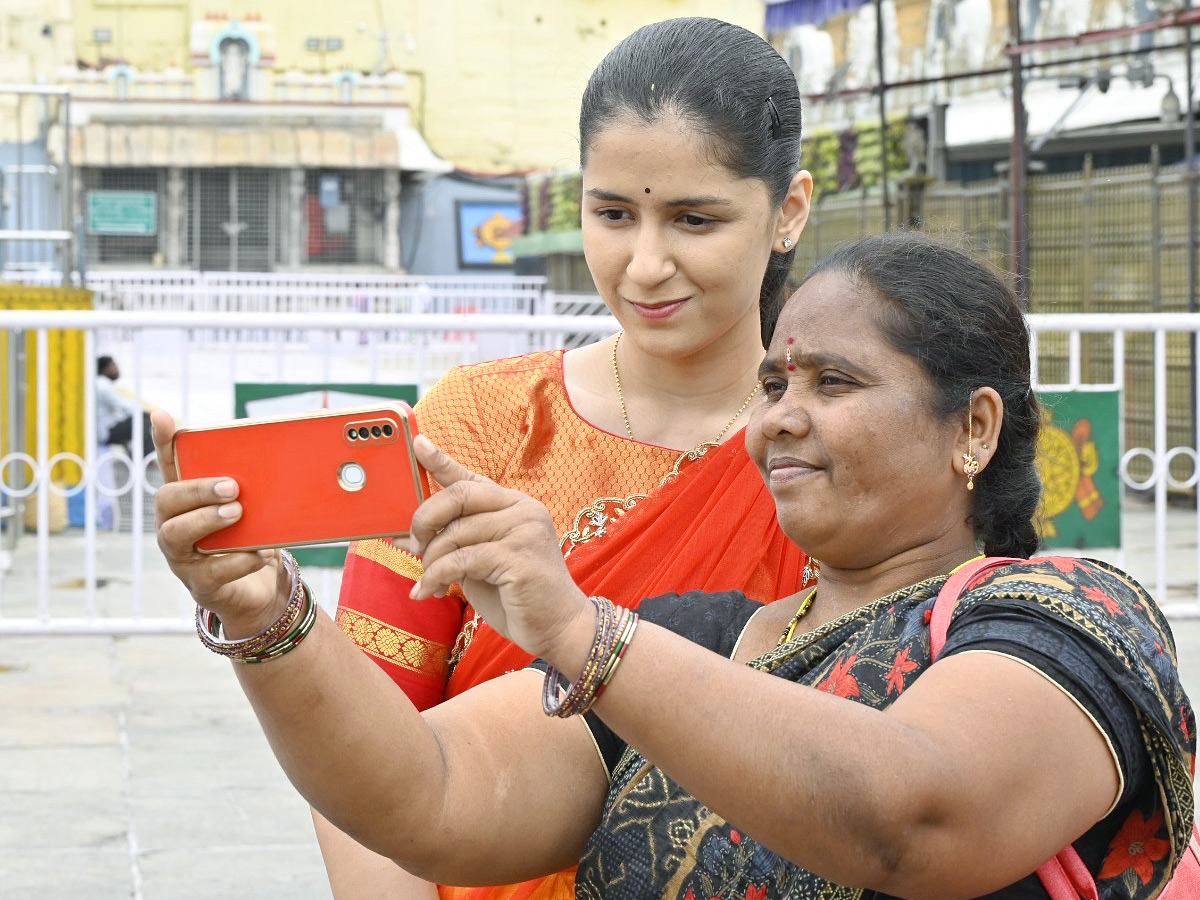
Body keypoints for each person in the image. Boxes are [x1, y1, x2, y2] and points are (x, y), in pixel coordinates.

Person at [153, 231, 1195, 899]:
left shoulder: (1064, 619)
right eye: (773, 382)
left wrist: (577, 630)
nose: (780, 419)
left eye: (834, 383)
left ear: (972, 429)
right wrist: (270, 621)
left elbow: (917, 818)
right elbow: (426, 798)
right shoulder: (702, 639)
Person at [327, 17, 813, 899]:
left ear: (788, 211)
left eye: (694, 220)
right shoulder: (477, 422)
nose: (645, 264)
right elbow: (361, 733)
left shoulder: (824, 445)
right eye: (614, 214)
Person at [96, 355, 154, 459]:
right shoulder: (103, 385)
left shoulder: (101, 383)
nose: (116, 369)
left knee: (136, 419)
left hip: (107, 428)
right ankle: (145, 459)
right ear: (104, 369)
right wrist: (145, 412)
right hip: (105, 432)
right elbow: (123, 405)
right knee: (141, 421)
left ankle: (137, 457)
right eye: (112, 366)